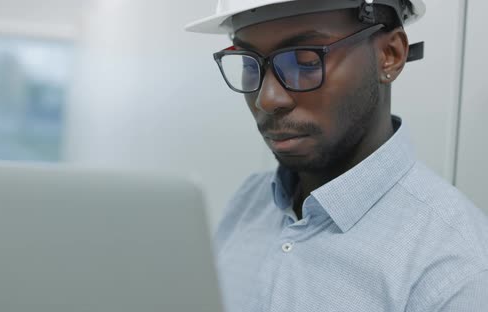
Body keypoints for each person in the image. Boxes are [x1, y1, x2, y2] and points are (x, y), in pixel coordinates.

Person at [186, 0, 488, 311]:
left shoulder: (457, 270)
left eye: (304, 62)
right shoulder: (249, 203)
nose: (267, 99)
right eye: (250, 65)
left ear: (390, 55)